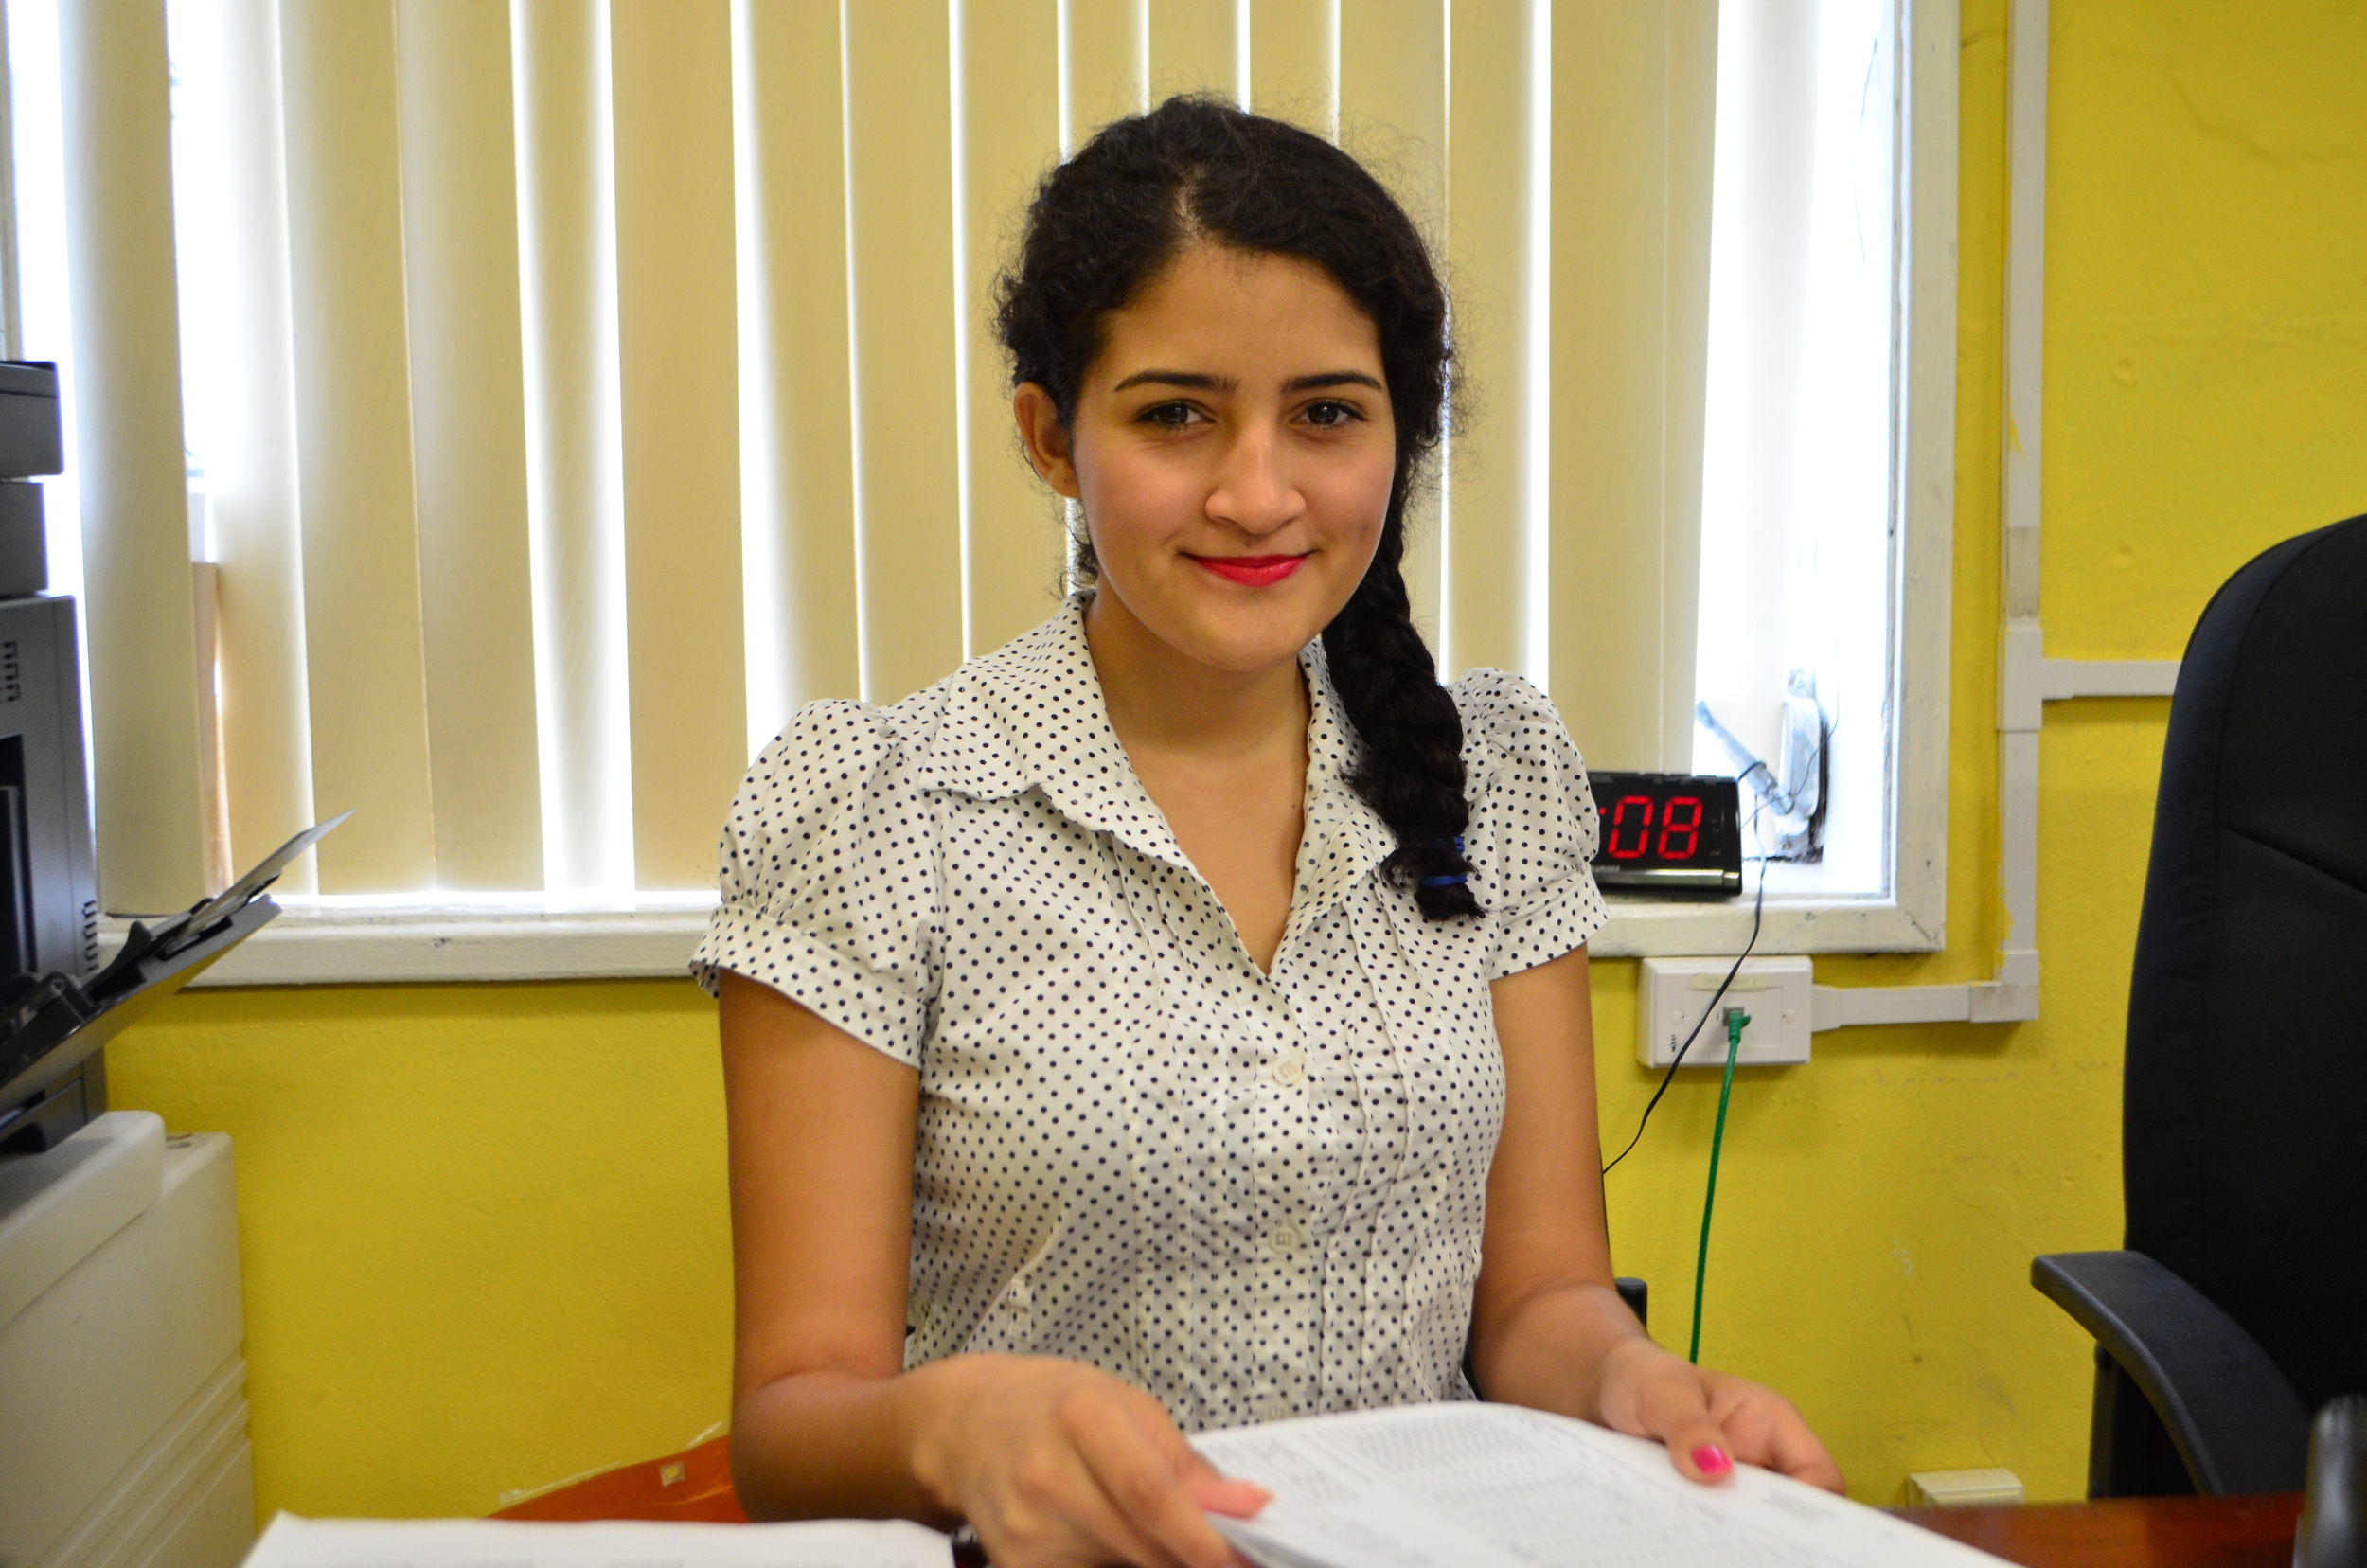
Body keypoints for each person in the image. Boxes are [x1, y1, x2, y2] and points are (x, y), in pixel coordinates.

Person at [698, 96, 1841, 1568]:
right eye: (1176, 414)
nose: (1257, 494)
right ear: (1052, 436)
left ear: (1397, 436)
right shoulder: (880, 810)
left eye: (1327, 414)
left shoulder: (1487, 779)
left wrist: (1632, 1381)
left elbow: (1541, 1304)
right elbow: (792, 1425)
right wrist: (950, 1426)